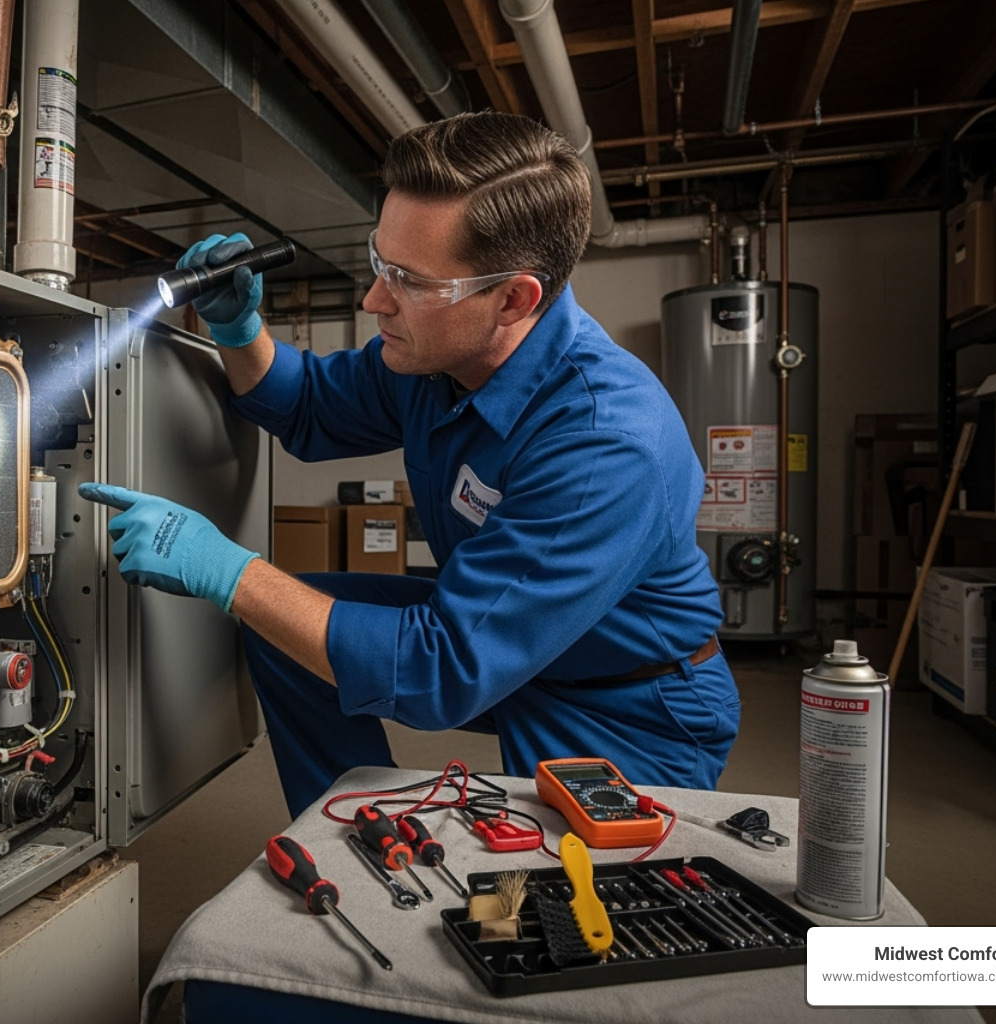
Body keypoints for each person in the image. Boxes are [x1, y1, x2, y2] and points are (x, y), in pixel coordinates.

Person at [80, 111, 739, 818]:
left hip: (625, 698)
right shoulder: (437, 359)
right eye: (379, 262)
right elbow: (308, 405)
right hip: (507, 644)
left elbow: (440, 672)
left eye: (409, 281)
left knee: (567, 915)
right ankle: (357, 838)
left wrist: (229, 570)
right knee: (286, 631)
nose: (374, 300)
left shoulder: (604, 444)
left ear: (515, 298)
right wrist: (239, 328)